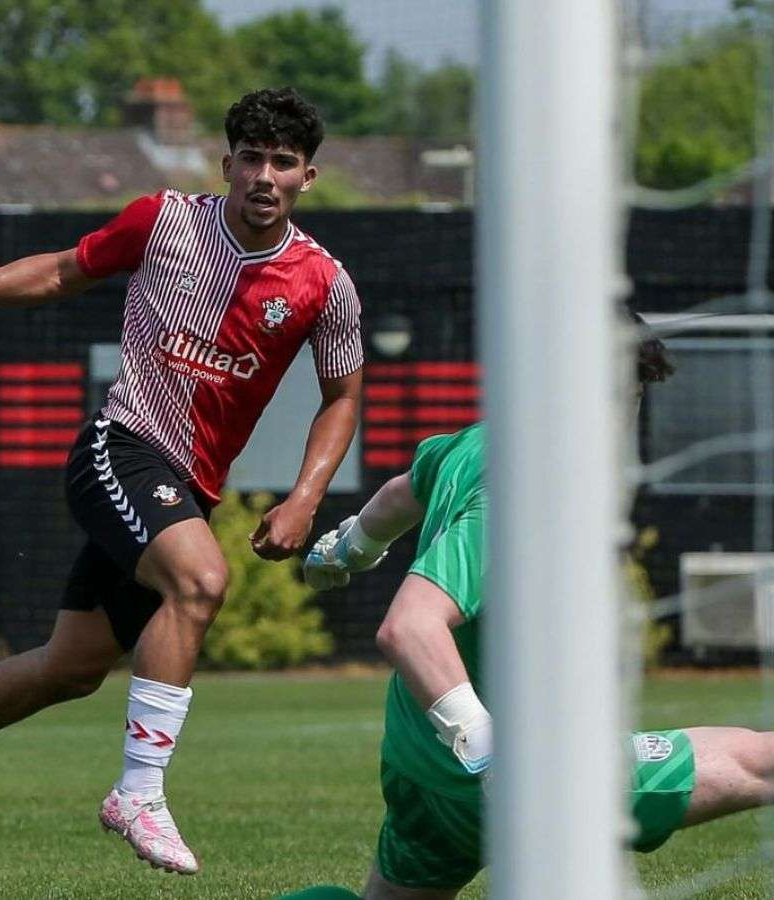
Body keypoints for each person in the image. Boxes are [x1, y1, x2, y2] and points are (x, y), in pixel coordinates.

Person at [0, 87, 365, 875]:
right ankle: (139, 791)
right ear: (226, 164)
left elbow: (343, 399)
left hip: (188, 486)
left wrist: (305, 497)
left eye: (284, 162)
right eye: (252, 158)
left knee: (74, 667)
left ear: (309, 176)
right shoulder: (163, 220)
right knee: (200, 580)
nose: (265, 174)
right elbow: (59, 273)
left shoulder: (324, 284)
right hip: (120, 445)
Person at [287, 320, 774, 899]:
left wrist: (344, 551)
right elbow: (409, 626)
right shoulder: (522, 492)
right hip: (522, 774)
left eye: (631, 393)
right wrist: (491, 754)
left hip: (418, 769)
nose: (621, 413)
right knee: (760, 761)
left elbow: (400, 493)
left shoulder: (472, 445)